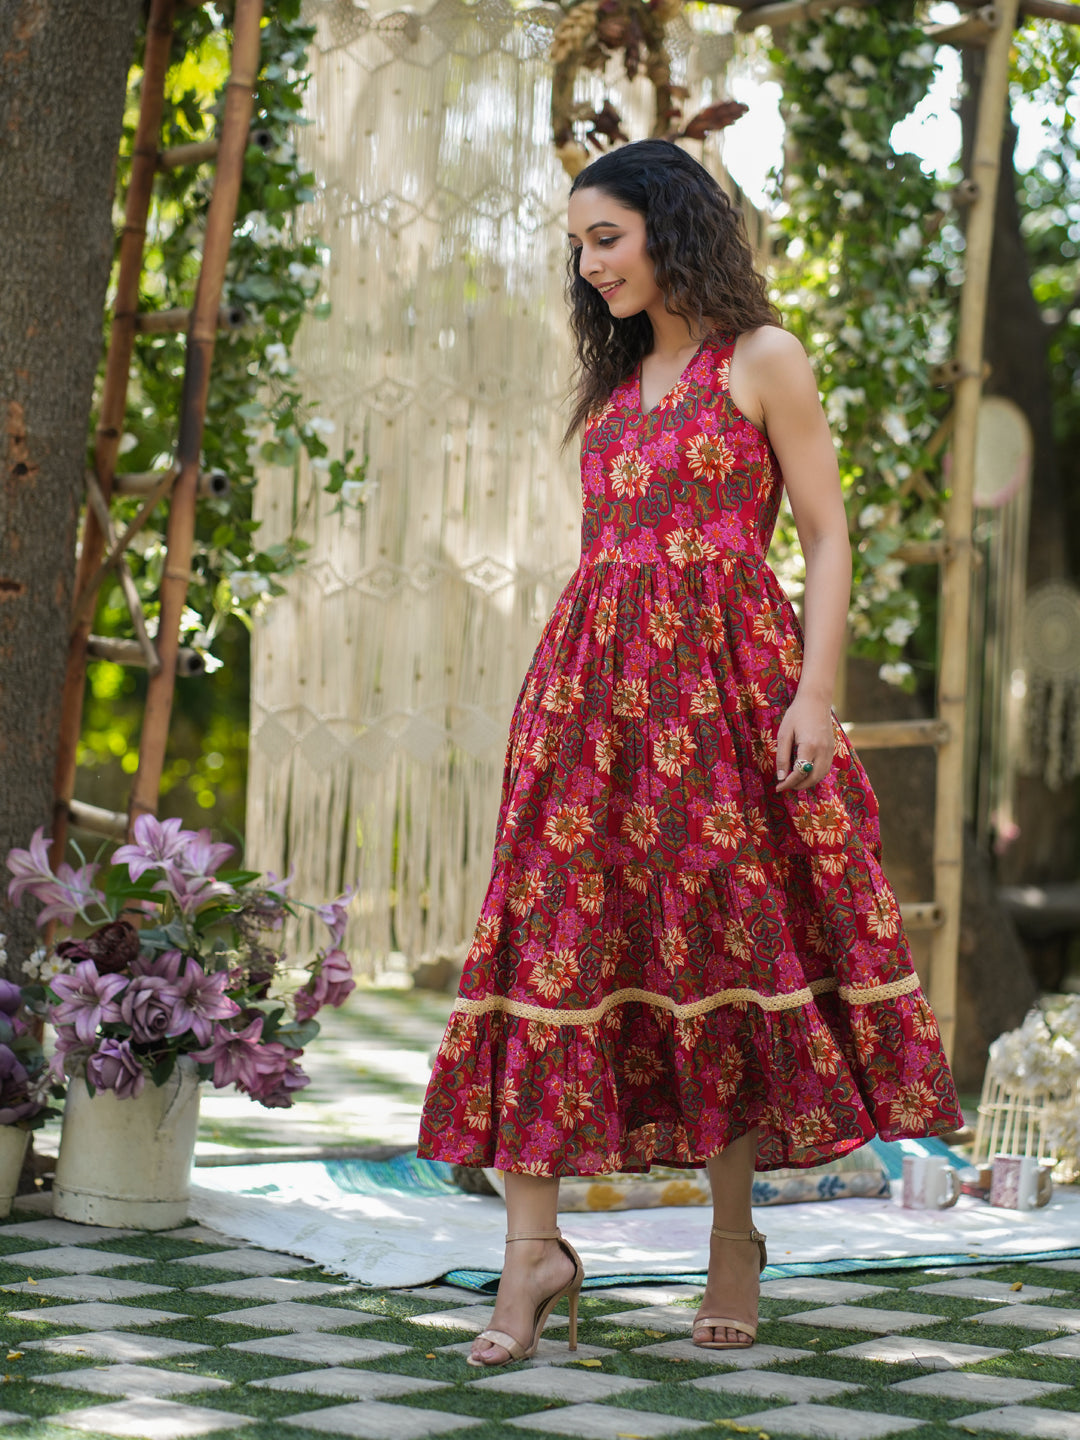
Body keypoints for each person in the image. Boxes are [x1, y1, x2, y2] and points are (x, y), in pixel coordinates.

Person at [417, 138, 964, 1367]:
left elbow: (825, 537)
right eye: (576, 244)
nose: (588, 261)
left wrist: (816, 697)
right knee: (554, 946)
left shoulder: (762, 359)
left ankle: (734, 1245)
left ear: (670, 223)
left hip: (722, 701)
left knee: (721, 948)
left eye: (605, 235)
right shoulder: (615, 382)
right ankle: (532, 1258)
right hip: (589, 708)